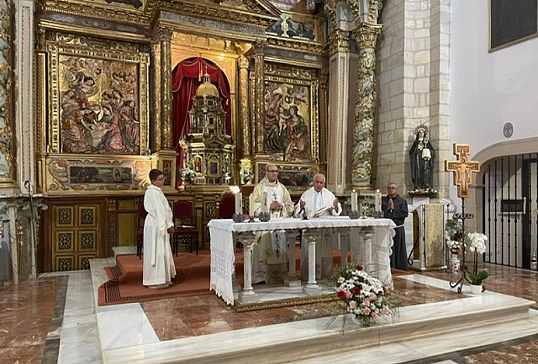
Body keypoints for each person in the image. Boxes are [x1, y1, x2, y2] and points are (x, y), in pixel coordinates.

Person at [250, 163, 294, 283]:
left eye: (276, 171)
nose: (274, 173)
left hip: (279, 223)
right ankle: (262, 276)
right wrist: (269, 206)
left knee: (280, 246)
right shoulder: (259, 187)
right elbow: (253, 206)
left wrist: (282, 206)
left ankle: (280, 275)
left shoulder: (282, 188)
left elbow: (290, 205)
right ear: (267, 172)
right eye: (272, 171)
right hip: (265, 224)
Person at [294, 173, 341, 279]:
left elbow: (337, 209)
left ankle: (325, 275)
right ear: (313, 182)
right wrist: (301, 207)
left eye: (321, 183)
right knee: (309, 251)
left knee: (325, 251)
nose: (319, 185)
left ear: (324, 183)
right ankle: (308, 276)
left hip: (324, 228)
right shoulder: (307, 194)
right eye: (317, 182)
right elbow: (298, 211)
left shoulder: (329, 194)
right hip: (310, 227)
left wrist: (334, 208)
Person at [142, 169, 176, 289]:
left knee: (162, 250)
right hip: (156, 224)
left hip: (160, 223)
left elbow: (165, 209)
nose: (163, 181)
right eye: (160, 179)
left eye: (163, 179)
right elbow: (158, 210)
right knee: (156, 251)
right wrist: (167, 225)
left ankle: (162, 277)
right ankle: (154, 279)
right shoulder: (151, 192)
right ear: (153, 181)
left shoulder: (158, 191)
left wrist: (169, 223)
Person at [382, 182, 409, 271]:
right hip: (386, 229)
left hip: (397, 228)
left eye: (393, 188)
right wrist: (388, 209)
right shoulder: (383, 200)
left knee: (398, 248)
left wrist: (393, 209)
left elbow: (404, 214)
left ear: (397, 190)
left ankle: (399, 266)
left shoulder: (402, 201)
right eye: (389, 188)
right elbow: (380, 214)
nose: (391, 189)